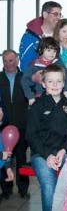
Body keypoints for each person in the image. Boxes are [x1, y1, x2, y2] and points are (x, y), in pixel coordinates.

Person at [26, 64, 67, 211]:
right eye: (50, 81)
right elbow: (31, 135)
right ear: (43, 84)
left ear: (64, 83)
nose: (55, 85)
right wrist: (47, 155)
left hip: (65, 151)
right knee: (49, 184)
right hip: (41, 154)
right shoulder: (37, 106)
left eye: (59, 81)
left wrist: (63, 150)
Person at [0, 50, 30, 200]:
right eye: (5, 61)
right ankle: (6, 190)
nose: (8, 64)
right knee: (4, 159)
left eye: (11, 60)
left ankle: (23, 190)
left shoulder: (25, 77)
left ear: (17, 60)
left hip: (22, 125)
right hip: (3, 126)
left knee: (21, 159)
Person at [21, 37, 67, 106]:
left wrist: (66, 90)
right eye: (49, 50)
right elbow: (24, 80)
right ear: (40, 50)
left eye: (54, 51)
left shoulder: (58, 62)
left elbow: (65, 75)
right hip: (40, 97)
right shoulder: (34, 65)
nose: (52, 53)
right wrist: (30, 97)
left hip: (58, 96)